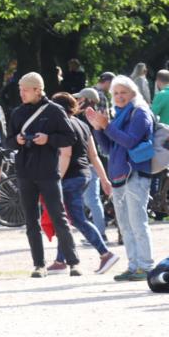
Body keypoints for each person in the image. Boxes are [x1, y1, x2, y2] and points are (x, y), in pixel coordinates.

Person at [4, 73, 81, 278]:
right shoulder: (17, 113)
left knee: (59, 217)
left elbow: (70, 137)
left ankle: (73, 262)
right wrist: (18, 140)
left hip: (48, 172)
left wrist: (48, 139)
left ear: (38, 90)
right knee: (31, 221)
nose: (21, 93)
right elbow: (8, 142)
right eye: (20, 89)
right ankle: (39, 265)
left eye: (25, 90)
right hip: (25, 172)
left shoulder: (55, 111)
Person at [86, 76, 155, 281]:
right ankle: (134, 265)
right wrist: (98, 129)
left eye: (123, 92)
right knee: (124, 225)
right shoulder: (118, 114)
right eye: (115, 93)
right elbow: (108, 149)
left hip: (135, 174)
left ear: (133, 93)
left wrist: (106, 126)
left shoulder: (139, 112)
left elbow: (130, 141)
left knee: (137, 221)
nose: (119, 96)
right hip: (119, 176)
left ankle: (146, 265)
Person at [48, 93, 119, 275]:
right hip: (84, 175)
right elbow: (93, 156)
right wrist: (104, 179)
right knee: (66, 219)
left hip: (69, 177)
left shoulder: (63, 126)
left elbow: (66, 154)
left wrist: (56, 179)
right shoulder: (82, 125)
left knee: (77, 219)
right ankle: (61, 260)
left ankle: (105, 253)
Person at [73, 88, 109, 241]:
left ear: (86, 100)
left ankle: (99, 234)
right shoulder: (92, 115)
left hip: (91, 162)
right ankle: (98, 232)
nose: (76, 101)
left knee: (92, 200)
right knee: (90, 200)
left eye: (79, 99)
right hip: (92, 162)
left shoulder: (88, 116)